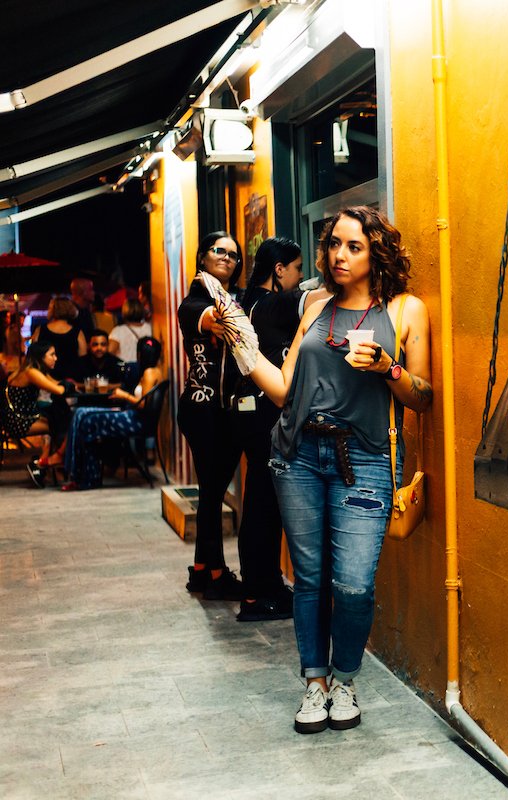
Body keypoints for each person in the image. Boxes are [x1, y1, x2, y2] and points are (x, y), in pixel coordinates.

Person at [242, 206, 431, 733]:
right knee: (309, 580)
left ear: (377, 252)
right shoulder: (315, 306)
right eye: (334, 245)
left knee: (352, 584)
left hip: (365, 458)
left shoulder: (405, 310)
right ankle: (316, 684)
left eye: (354, 246)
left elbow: (424, 396)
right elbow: (284, 389)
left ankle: (346, 679)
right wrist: (242, 349)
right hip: (298, 455)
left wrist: (387, 368)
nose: (339, 256)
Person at [230, 236, 329, 623]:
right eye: (298, 269)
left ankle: (263, 586)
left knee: (260, 502)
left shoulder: (247, 302)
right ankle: (259, 593)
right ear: (279, 270)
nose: (300, 276)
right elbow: (317, 301)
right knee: (264, 506)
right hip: (264, 418)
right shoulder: (271, 304)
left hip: (249, 414)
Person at [176, 231, 246, 602]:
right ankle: (217, 574)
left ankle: (202, 570)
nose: (226, 257)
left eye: (233, 255)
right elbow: (198, 315)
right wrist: (214, 317)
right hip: (204, 411)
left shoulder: (231, 298)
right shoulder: (197, 299)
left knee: (210, 493)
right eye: (219, 251)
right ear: (203, 257)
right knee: (212, 493)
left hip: (217, 412)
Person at [61, 337, 164, 491]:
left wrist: (124, 396)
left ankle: (82, 474)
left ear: (139, 354)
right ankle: (83, 473)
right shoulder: (153, 370)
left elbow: (144, 405)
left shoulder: (149, 373)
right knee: (81, 413)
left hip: (135, 421)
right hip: (132, 416)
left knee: (85, 419)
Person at [2, 341, 71, 486]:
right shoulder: (31, 372)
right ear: (40, 356)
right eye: (52, 354)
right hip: (17, 420)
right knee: (66, 424)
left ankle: (43, 463)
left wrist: (75, 384)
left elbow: (56, 383)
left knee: (57, 415)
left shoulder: (34, 370)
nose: (55, 358)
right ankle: (52, 461)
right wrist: (68, 385)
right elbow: (58, 390)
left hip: (24, 415)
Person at [31, 297, 86, 382]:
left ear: (53, 310)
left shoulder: (40, 330)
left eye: (49, 308)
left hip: (46, 378)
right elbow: (83, 357)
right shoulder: (77, 332)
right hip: (71, 379)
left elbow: (33, 354)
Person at [108, 298, 153, 363]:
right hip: (145, 369)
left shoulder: (118, 331)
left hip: (126, 370)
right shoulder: (150, 328)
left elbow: (110, 353)